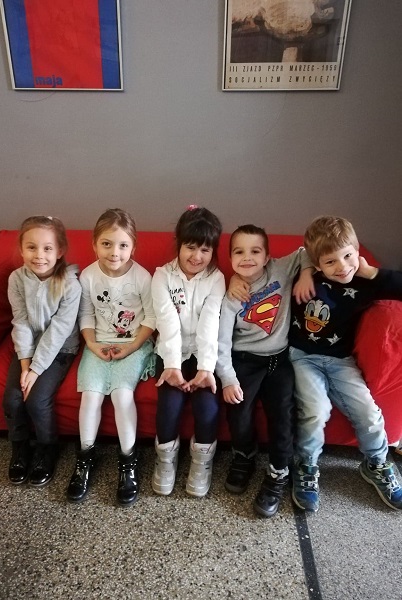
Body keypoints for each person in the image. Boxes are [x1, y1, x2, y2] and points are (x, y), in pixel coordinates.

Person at [289, 215, 402, 512]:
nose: (342, 267)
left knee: (368, 412)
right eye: (330, 262)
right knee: (315, 411)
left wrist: (371, 272)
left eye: (348, 256)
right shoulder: (306, 275)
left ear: (357, 250)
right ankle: (306, 466)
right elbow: (293, 256)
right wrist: (305, 272)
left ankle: (377, 463)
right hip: (302, 357)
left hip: (341, 360)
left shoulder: (365, 282)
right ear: (318, 264)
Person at [217, 224, 314, 517]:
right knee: (238, 409)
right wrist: (227, 378)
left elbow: (306, 251)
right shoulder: (231, 296)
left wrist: (306, 273)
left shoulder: (281, 269)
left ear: (267, 256)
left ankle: (278, 471)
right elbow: (221, 342)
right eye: (239, 252)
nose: (247, 258)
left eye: (255, 251)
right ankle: (244, 455)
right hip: (244, 360)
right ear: (230, 258)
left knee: (282, 413)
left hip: (279, 360)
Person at [67, 209, 155, 506]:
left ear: (133, 247)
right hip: (99, 343)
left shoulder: (142, 277)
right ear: (94, 244)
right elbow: (86, 314)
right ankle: (85, 457)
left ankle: (128, 461)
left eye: (122, 245)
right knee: (90, 396)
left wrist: (131, 348)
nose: (114, 252)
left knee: (121, 395)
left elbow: (151, 318)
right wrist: (91, 344)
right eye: (106, 244)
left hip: (134, 343)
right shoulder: (88, 276)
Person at [151, 206, 225, 498]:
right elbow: (167, 321)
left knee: (207, 408)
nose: (197, 256)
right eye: (190, 247)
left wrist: (206, 368)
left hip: (202, 352)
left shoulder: (216, 278)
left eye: (205, 250)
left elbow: (210, 323)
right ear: (179, 244)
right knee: (168, 407)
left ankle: (201, 463)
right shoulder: (162, 276)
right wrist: (171, 365)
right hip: (172, 352)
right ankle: (165, 460)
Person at [3, 216, 81, 487]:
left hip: (60, 348)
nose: (39, 255)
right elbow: (21, 321)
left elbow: (60, 330)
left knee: (36, 400)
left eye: (47, 248)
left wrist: (36, 370)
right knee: (13, 399)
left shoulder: (70, 284)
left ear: (60, 251)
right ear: (21, 249)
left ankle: (47, 448)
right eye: (31, 247)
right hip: (29, 347)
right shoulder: (17, 279)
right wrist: (26, 365)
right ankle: (20, 446)